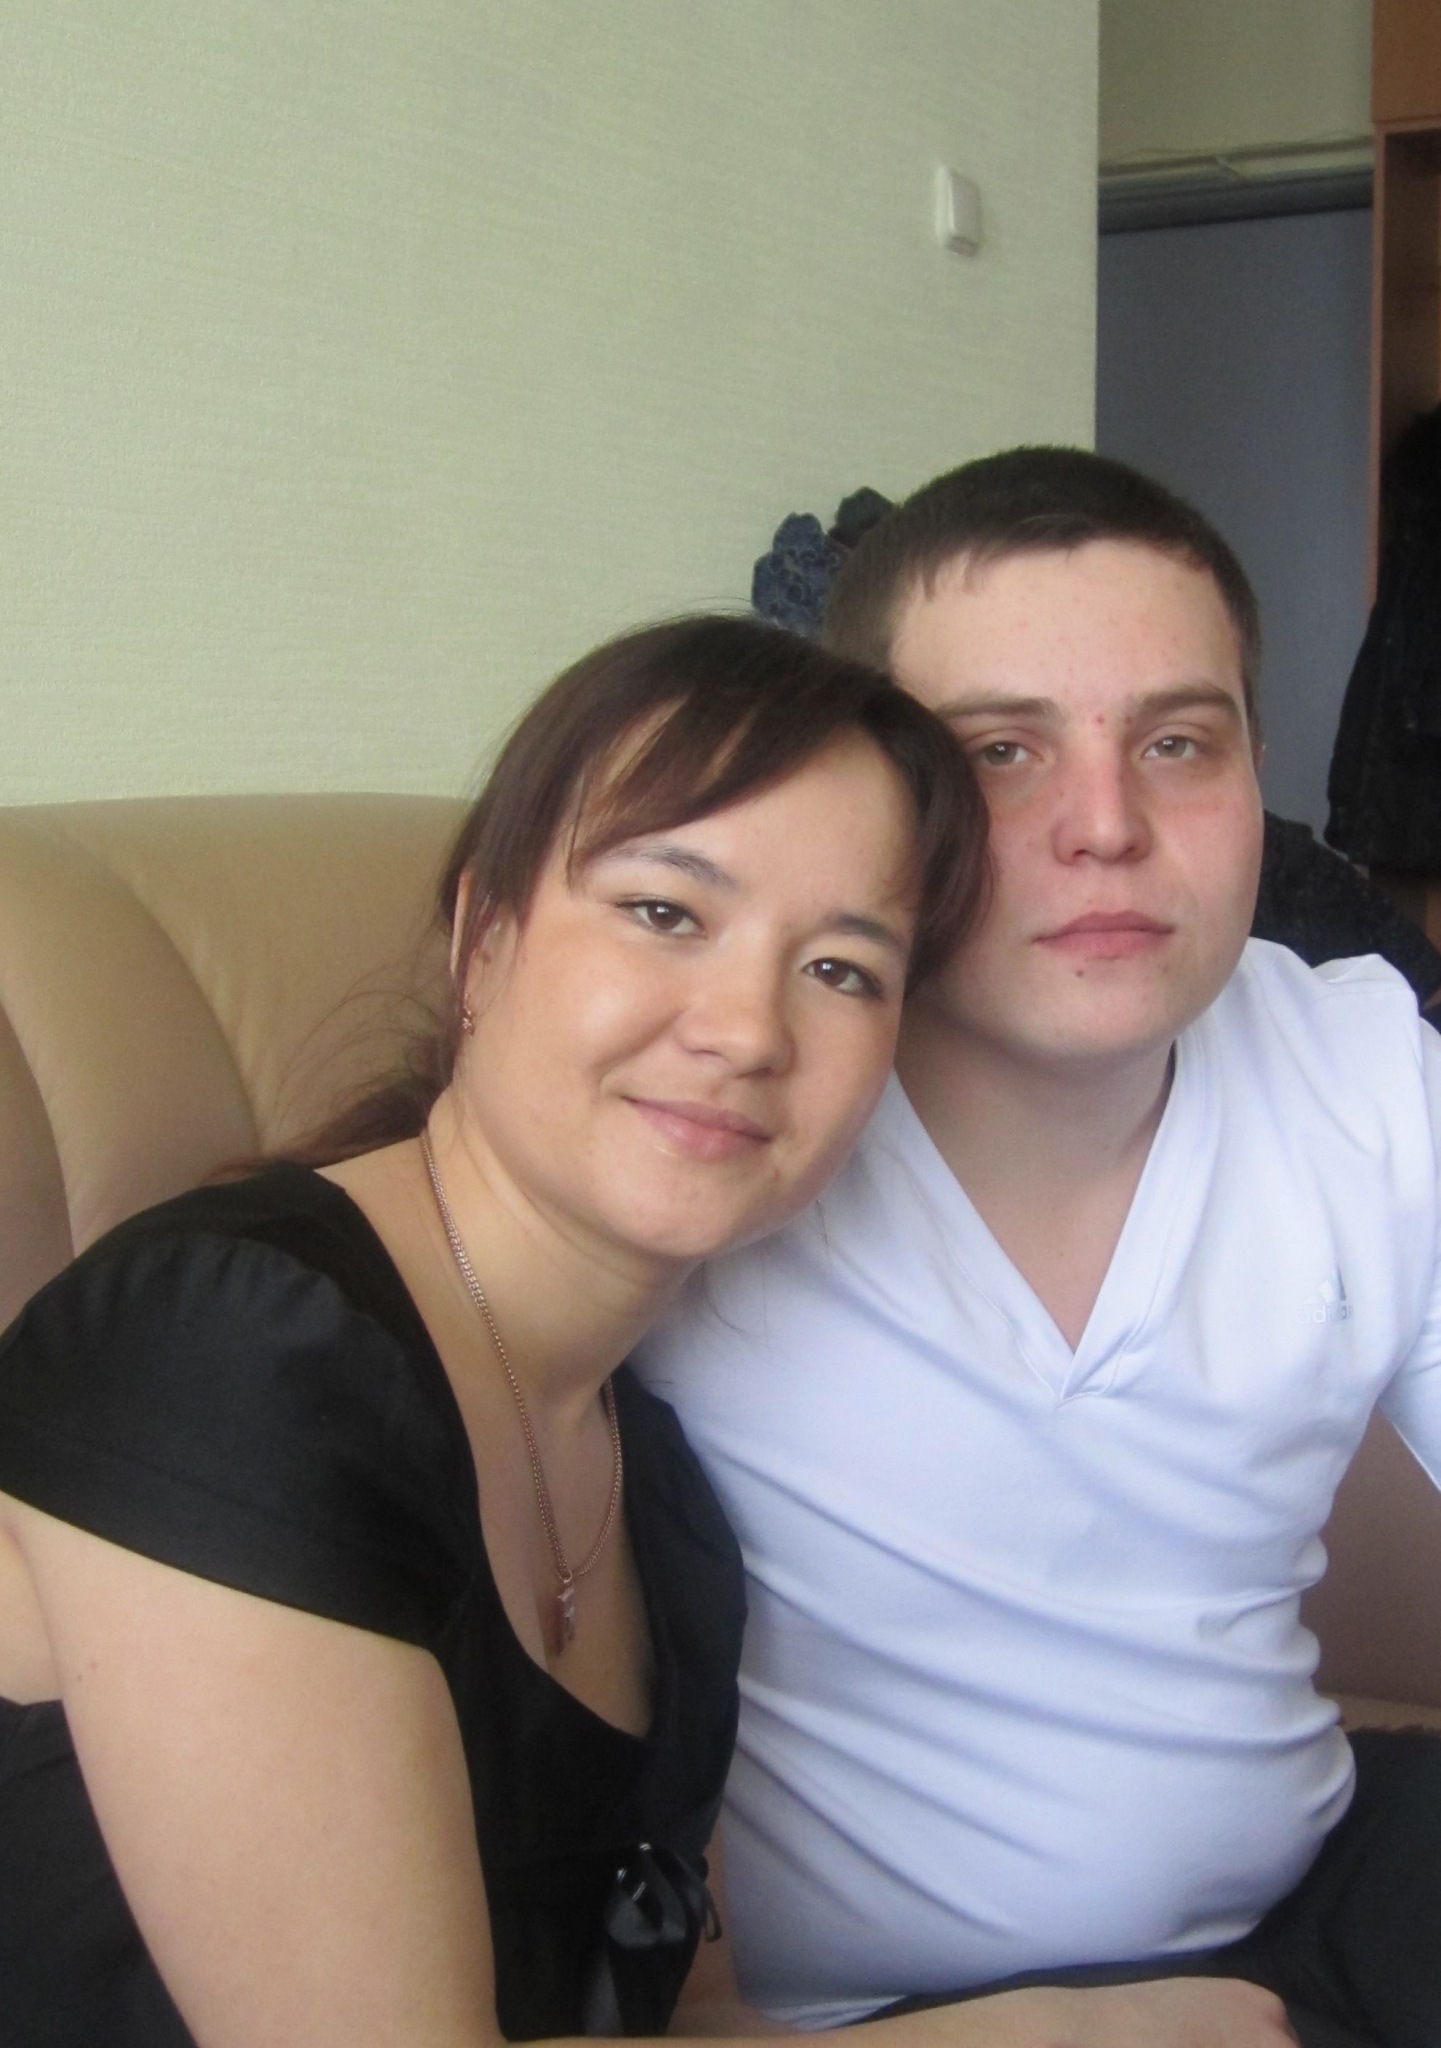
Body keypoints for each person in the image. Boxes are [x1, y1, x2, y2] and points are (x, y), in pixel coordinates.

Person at [0, 613, 999, 2047]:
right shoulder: (222, 1350)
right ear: (482, 943)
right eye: (665, 912)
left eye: (843, 970)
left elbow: (695, 2016)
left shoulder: (663, 1498)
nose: (747, 1031)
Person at [639, 451, 1441, 2048]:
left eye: (1175, 743)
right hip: (873, 2015)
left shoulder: (1359, 1066)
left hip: (1311, 1903)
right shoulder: (715, 1107)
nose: (1106, 828)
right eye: (1000, 752)